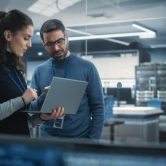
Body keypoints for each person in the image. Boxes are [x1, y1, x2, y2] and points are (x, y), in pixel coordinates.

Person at [31, 19, 104, 139]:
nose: (56, 48)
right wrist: (44, 98)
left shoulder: (87, 68)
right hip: (48, 142)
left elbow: (98, 107)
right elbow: (33, 112)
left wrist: (93, 142)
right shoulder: (39, 71)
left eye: (59, 41)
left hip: (80, 141)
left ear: (66, 37)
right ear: (44, 44)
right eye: (49, 44)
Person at [0, 10, 64, 136]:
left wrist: (42, 117)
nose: (29, 45)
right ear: (8, 36)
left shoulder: (15, 69)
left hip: (19, 147)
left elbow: (19, 122)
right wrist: (23, 100)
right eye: (26, 38)